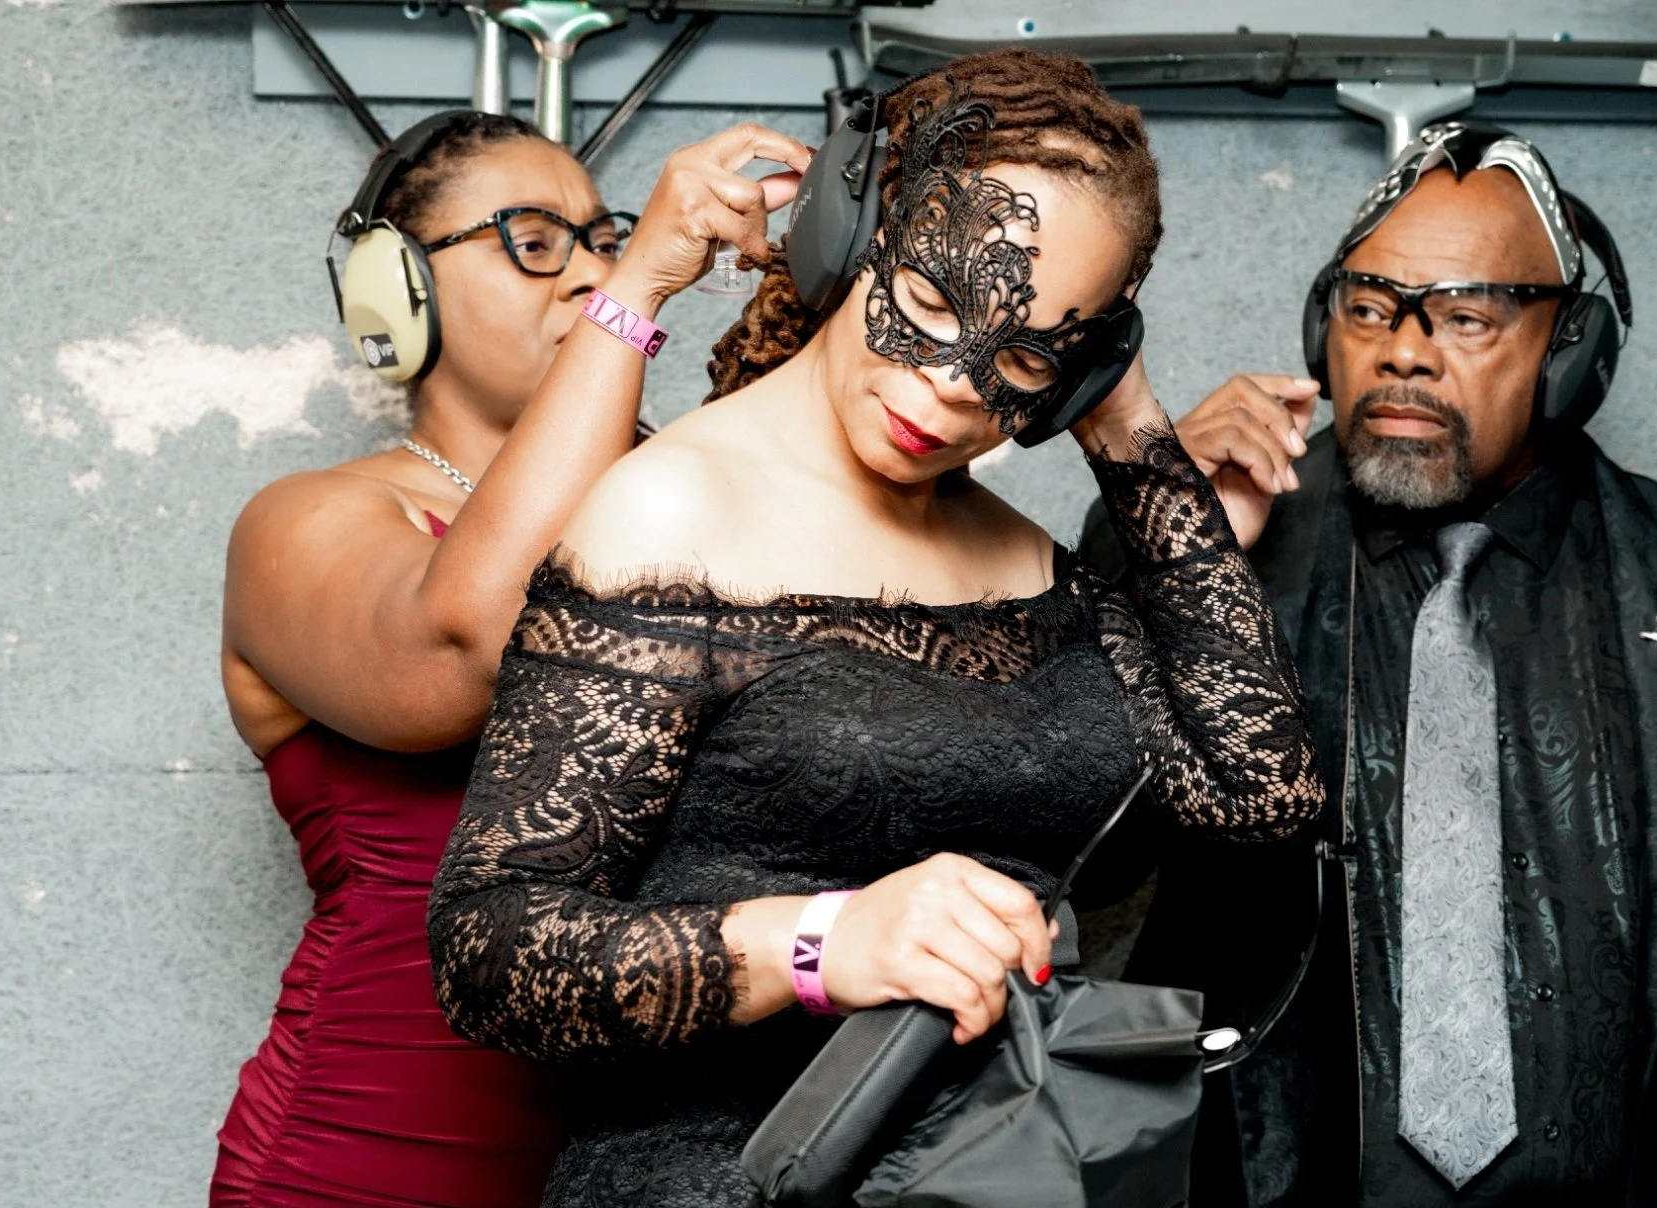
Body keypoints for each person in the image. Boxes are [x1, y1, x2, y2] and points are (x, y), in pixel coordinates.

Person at [426, 48, 1325, 1208]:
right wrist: (818, 942)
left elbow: (1258, 797)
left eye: (1018, 356)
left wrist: (1129, 426)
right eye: (931, 304)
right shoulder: (672, 509)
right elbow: (487, 951)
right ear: (853, 231)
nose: (952, 385)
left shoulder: (1024, 554)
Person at [1083, 122, 1657, 1207]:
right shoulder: (1211, 537)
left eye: (1465, 314)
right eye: (1365, 307)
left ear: (1568, 349)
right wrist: (1172, 549)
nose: (1401, 348)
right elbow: (1076, 863)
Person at [214, 110, 810, 1207]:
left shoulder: (691, 510)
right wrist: (633, 300)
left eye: (603, 238)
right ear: (396, 290)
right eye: (535, 239)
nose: (587, 269)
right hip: (378, 1153)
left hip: (664, 1158)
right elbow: (478, 641)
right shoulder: (302, 521)